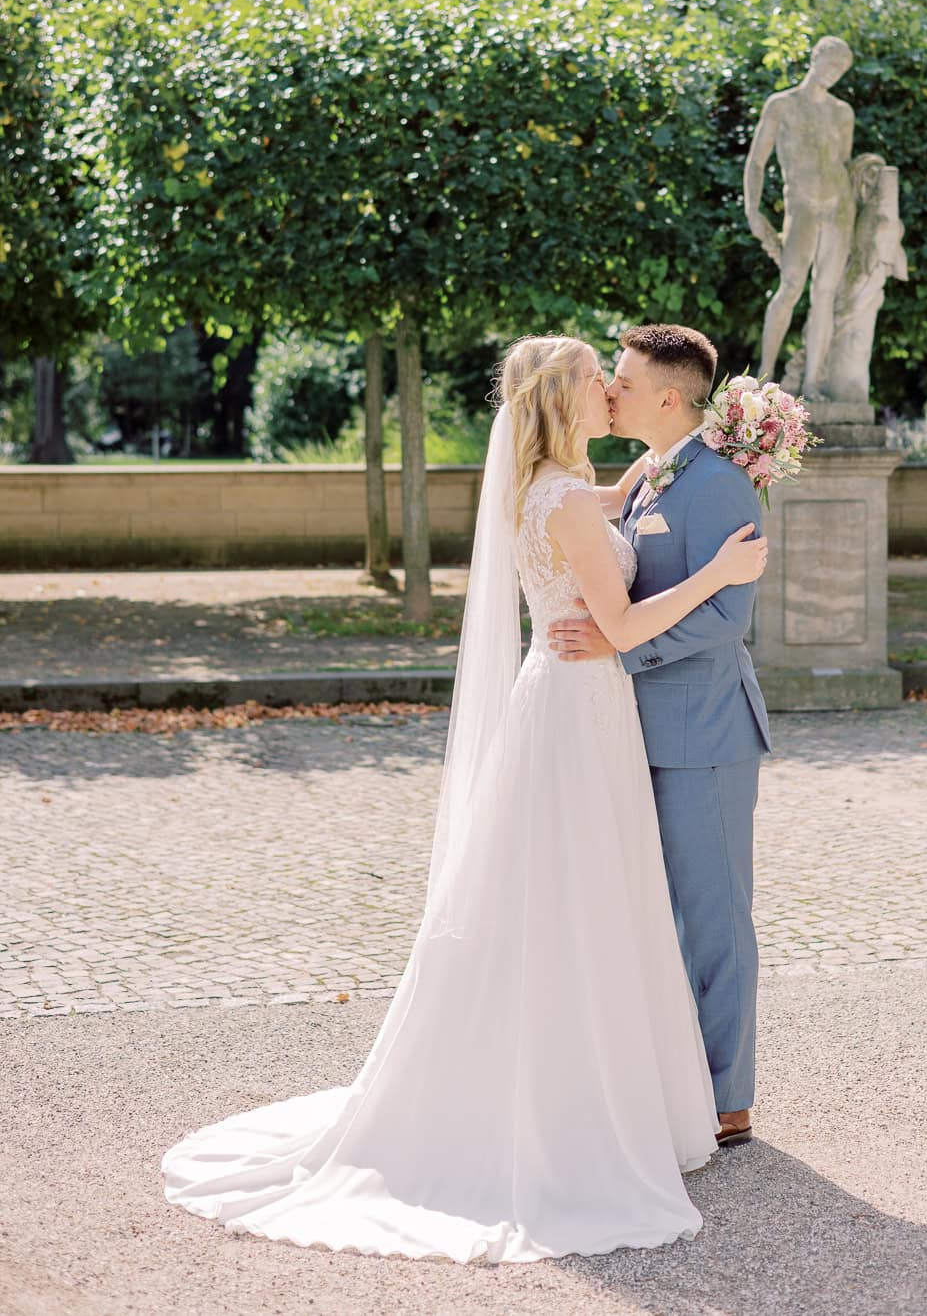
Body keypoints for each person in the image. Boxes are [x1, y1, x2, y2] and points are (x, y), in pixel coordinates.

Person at [162, 334, 767, 1264]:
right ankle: (581, 1101)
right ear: (559, 403)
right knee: (586, 897)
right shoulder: (564, 499)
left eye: (620, 381)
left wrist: (668, 470)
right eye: (593, 382)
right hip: (579, 709)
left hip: (564, 707)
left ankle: (581, 1078)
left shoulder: (559, 488)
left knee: (563, 896)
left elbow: (617, 504)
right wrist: (720, 574)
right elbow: (621, 623)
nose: (610, 390)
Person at [548, 324, 771, 1149]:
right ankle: (675, 1084)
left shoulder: (717, 486)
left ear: (669, 397)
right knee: (657, 917)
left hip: (704, 732)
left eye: (626, 380)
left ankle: (727, 1098)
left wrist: (622, 641)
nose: (611, 389)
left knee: (714, 917)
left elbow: (728, 612)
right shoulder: (647, 478)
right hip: (634, 729)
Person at [743, 35, 857, 393]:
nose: (835, 73)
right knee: (791, 285)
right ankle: (764, 374)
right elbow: (756, 161)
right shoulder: (782, 104)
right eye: (832, 63)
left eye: (842, 69)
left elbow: (843, 163)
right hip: (802, 204)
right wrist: (752, 208)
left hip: (838, 207)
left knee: (826, 293)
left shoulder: (842, 112)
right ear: (816, 56)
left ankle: (811, 383)